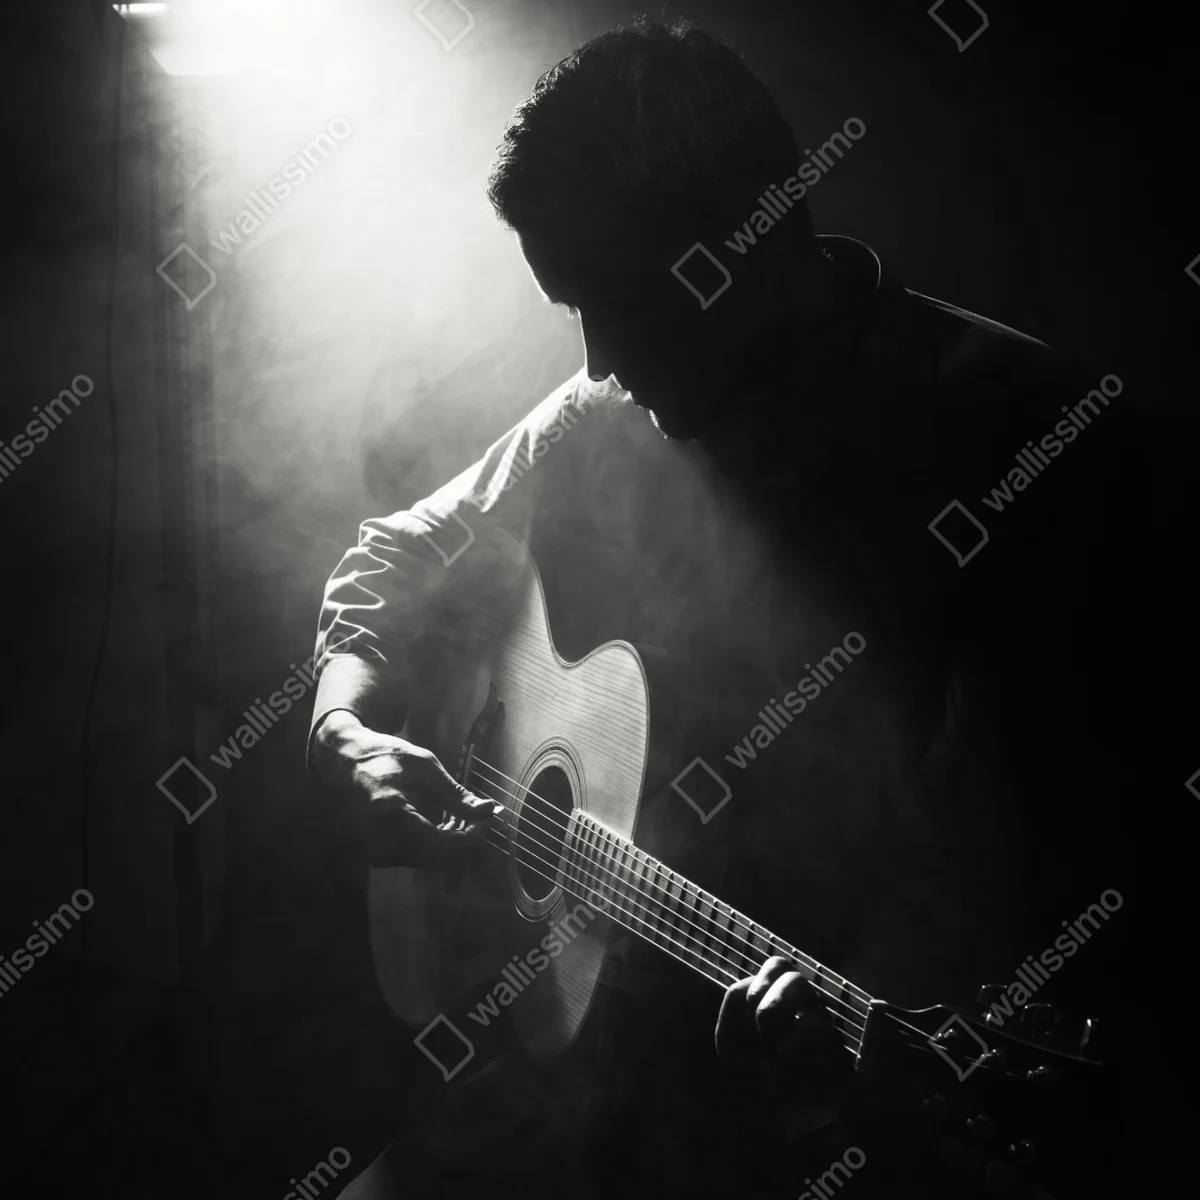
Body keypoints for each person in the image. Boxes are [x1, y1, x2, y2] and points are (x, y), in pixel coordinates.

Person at [308, 18, 1137, 1199]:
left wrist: (867, 1082)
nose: (594, 362)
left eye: (624, 306)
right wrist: (339, 733)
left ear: (743, 247)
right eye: (572, 309)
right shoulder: (604, 419)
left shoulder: (1033, 448)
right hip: (588, 1082)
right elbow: (391, 558)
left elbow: (1075, 896)